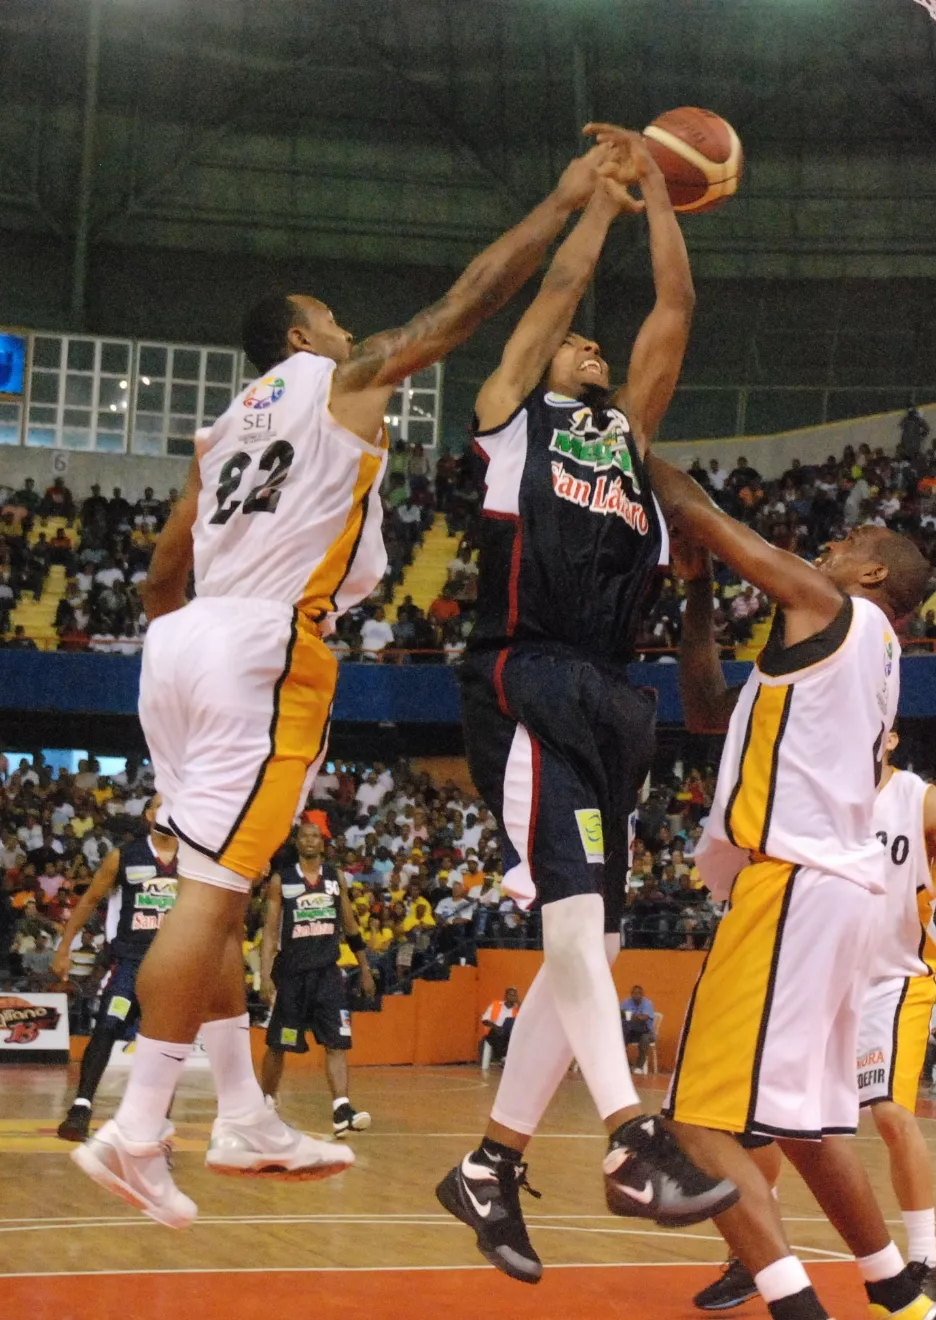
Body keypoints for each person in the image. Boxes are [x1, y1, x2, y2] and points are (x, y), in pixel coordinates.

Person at [72, 144, 623, 1230]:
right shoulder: (337, 379)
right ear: (298, 339)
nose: (339, 329)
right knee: (214, 896)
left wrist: (189, 639)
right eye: (325, 319)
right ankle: (137, 1129)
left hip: (183, 643)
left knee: (214, 886)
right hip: (264, 647)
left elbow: (159, 573)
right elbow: (463, 307)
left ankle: (241, 1112)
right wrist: (564, 200)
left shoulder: (221, 428)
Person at [438, 125, 737, 1285]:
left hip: (615, 696)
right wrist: (601, 203)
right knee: (571, 927)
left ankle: (489, 1163)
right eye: (575, 344)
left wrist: (664, 193)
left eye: (594, 345)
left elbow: (674, 308)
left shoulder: (629, 436)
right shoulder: (514, 419)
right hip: (530, 673)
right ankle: (628, 1139)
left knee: (597, 944)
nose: (591, 342)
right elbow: (558, 287)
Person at [644, 459, 936, 1320]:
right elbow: (704, 709)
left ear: (874, 573)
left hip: (797, 886)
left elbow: (696, 510)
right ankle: (903, 1297)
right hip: (840, 892)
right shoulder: (859, 651)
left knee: (694, 1120)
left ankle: (794, 1307)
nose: (832, 543)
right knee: (802, 1128)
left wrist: (626, 431)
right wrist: (695, 596)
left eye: (851, 542)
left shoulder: (832, 604)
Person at [692, 733, 936, 1313]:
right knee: (756, 1118)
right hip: (822, 971)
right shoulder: (812, 796)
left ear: (890, 734)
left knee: (888, 1112)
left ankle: (924, 1262)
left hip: (894, 977)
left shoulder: (920, 799)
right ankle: (754, 1255)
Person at [53, 798, 178, 1143]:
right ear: (148, 815)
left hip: (175, 966)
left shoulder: (195, 861)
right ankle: (80, 1108)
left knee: (165, 1044)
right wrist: (65, 946)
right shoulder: (124, 855)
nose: (165, 809)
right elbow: (90, 899)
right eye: (158, 805)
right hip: (130, 961)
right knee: (107, 1026)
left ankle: (155, 1121)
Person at [259, 821, 375, 1137]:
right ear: (297, 842)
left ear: (322, 844)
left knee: (337, 1043)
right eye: (304, 836)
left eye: (315, 836)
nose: (310, 840)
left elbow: (350, 926)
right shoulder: (282, 880)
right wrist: (265, 975)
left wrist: (364, 967)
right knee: (278, 1045)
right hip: (292, 975)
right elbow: (270, 932)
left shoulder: (335, 878)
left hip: (328, 975)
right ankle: (262, 1104)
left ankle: (341, 1108)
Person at [619, 984, 657, 1073]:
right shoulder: (626, 1002)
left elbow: (644, 1018)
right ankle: (625, 1064)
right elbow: (619, 1014)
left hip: (647, 1032)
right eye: (634, 993)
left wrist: (630, 1016)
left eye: (638, 994)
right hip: (631, 1031)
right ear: (631, 994)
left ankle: (639, 1066)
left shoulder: (647, 1003)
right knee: (620, 1037)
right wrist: (629, 1016)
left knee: (644, 1039)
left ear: (642, 994)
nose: (636, 996)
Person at [481, 986, 521, 1064]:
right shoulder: (495, 1004)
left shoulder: (517, 1008)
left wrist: (518, 1003)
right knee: (499, 1033)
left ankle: (504, 1058)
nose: (512, 997)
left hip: (509, 1033)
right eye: (510, 995)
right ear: (505, 996)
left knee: (510, 1021)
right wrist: (496, 1027)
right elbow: (484, 1020)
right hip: (494, 1031)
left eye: (514, 995)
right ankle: (502, 1057)